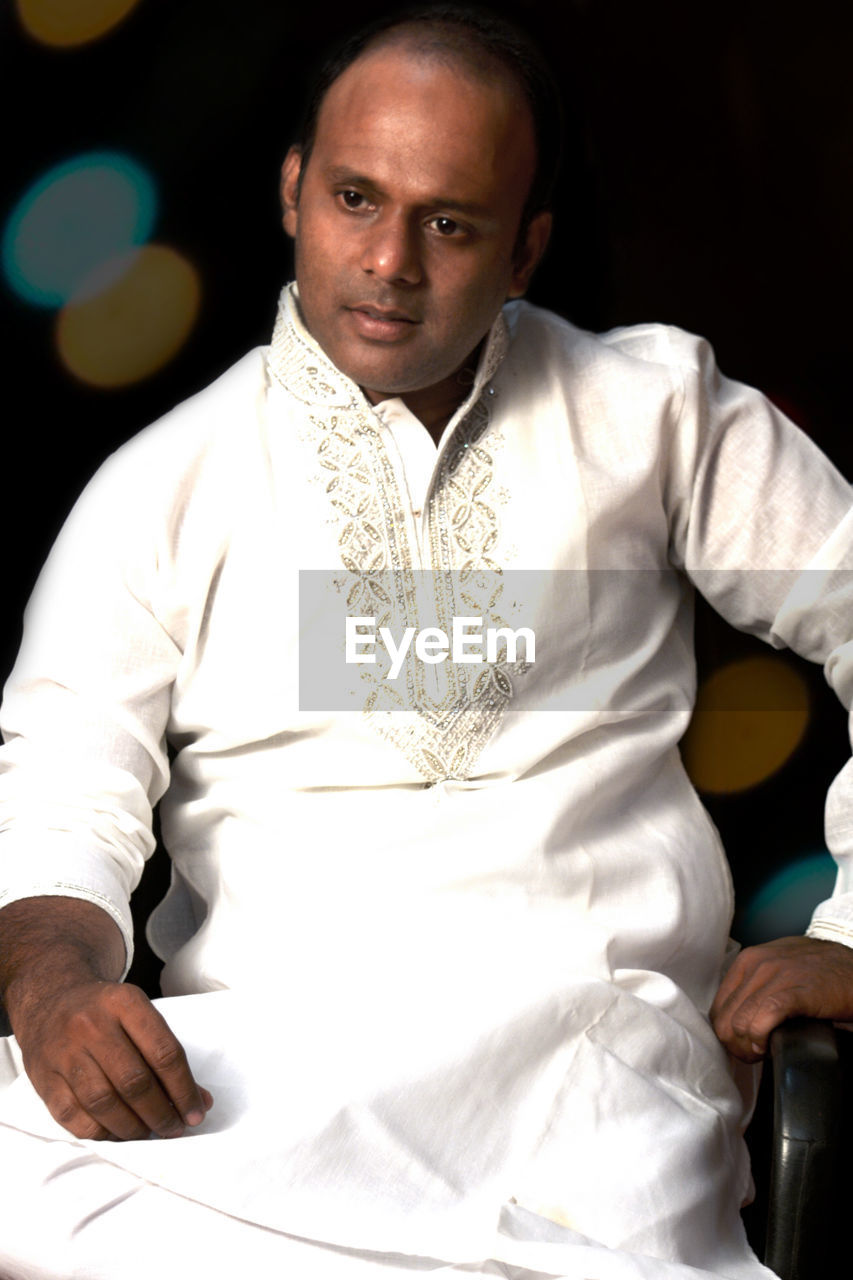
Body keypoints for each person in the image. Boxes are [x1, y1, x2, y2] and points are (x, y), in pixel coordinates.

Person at [0, 6, 851, 1278]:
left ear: (526, 250)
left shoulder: (657, 420)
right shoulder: (159, 486)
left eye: (449, 223)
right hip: (259, 1083)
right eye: (356, 198)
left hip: (585, 1065)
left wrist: (850, 939)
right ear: (294, 191)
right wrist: (58, 993)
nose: (390, 259)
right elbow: (63, 796)